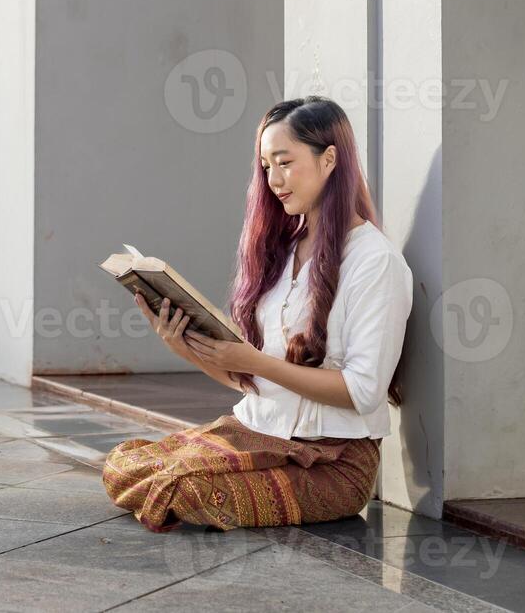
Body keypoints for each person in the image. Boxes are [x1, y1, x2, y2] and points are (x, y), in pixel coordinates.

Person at [102, 96, 414, 532]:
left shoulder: (374, 262)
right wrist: (188, 349)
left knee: (182, 490)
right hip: (257, 434)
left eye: (284, 162)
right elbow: (254, 382)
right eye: (266, 166)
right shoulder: (284, 252)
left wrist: (254, 361)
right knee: (123, 464)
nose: (274, 180)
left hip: (330, 462)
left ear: (329, 160)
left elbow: (364, 390)